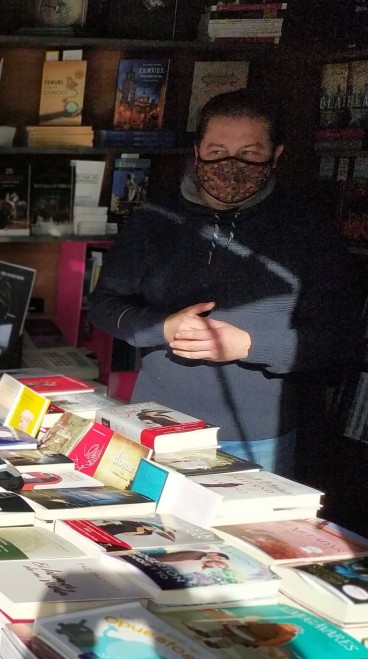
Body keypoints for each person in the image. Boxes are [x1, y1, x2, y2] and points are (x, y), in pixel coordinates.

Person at [87, 89, 358, 478]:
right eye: (216, 152)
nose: (231, 165)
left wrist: (248, 345)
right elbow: (103, 304)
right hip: (153, 423)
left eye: (249, 154)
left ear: (276, 154)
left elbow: (337, 339)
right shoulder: (156, 218)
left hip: (256, 437)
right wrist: (161, 327)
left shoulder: (307, 230)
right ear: (197, 151)